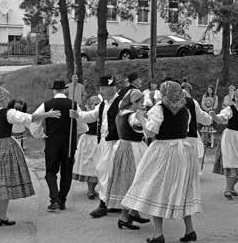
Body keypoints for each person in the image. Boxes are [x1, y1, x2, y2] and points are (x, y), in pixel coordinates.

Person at [0, 87, 60, 226]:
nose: (8, 100)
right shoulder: (8, 113)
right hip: (4, 148)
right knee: (4, 183)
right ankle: (2, 217)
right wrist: (47, 115)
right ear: (1, 99)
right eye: (7, 97)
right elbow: (29, 118)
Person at [121, 81, 201, 243]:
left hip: (163, 150)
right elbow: (183, 129)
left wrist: (141, 119)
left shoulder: (159, 108)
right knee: (182, 189)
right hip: (182, 150)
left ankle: (158, 234)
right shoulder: (185, 110)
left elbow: (150, 132)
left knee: (155, 187)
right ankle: (190, 230)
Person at [30, 80, 87, 211]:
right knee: (66, 172)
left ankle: (54, 199)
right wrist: (74, 133)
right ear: (65, 90)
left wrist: (40, 135)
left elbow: (35, 119)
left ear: (54, 90)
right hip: (69, 142)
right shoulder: (73, 104)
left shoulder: (47, 104)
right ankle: (62, 200)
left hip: (53, 142)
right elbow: (82, 125)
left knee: (50, 171)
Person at [70, 76, 122, 218]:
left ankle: (104, 205)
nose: (103, 91)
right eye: (103, 88)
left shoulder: (120, 102)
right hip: (104, 142)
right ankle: (111, 203)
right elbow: (91, 116)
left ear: (113, 88)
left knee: (108, 174)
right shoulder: (104, 104)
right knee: (104, 172)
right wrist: (77, 115)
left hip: (116, 142)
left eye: (106, 88)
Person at [106, 89, 149, 230]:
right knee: (132, 180)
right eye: (140, 102)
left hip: (123, 147)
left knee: (129, 179)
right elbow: (145, 129)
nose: (141, 105)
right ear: (133, 102)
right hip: (133, 149)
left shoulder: (120, 114)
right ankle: (124, 217)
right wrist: (144, 118)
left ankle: (134, 213)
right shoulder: (132, 116)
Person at [72, 95, 101, 200]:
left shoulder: (99, 114)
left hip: (97, 141)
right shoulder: (86, 114)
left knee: (97, 166)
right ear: (89, 104)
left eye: (98, 103)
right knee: (90, 165)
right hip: (88, 141)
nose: (96, 105)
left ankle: (93, 189)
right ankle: (90, 190)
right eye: (94, 103)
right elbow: (80, 124)